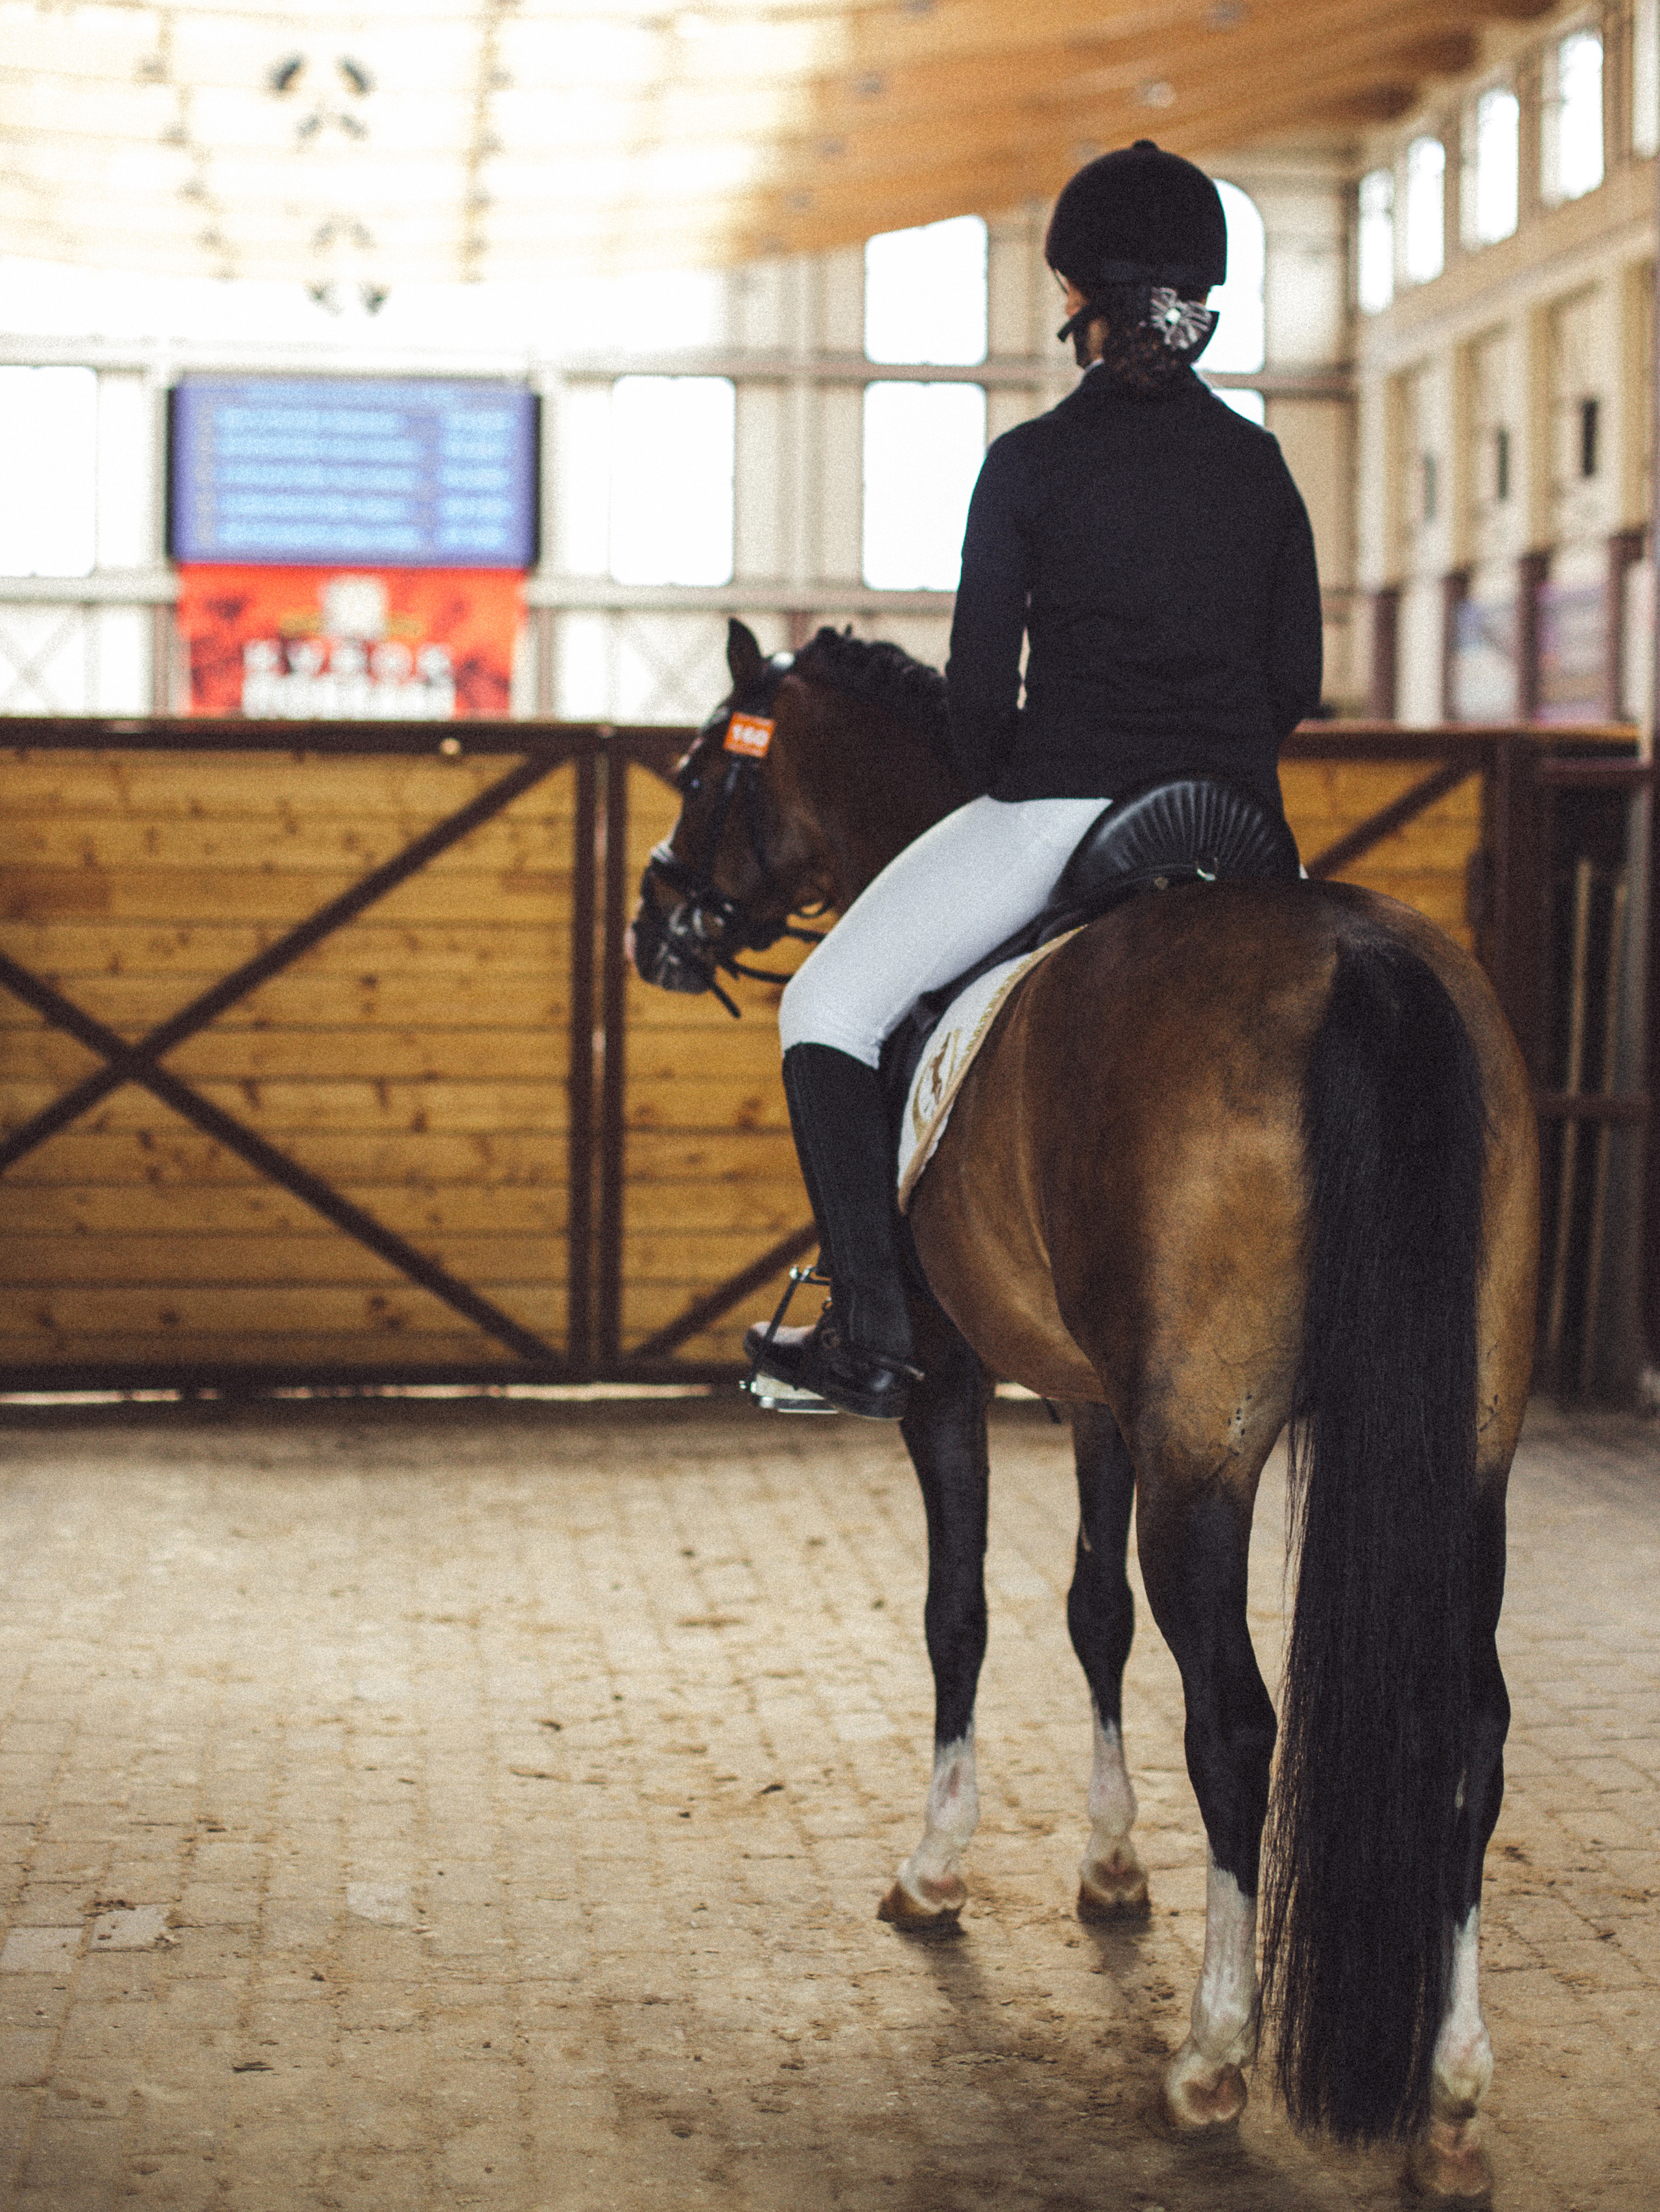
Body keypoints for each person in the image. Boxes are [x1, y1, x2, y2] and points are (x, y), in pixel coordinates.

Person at [745, 140, 1323, 1420]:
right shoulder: (1260, 466)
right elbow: (1295, 673)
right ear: (1200, 294)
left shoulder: (1027, 465)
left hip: (1063, 806)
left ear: (1074, 294)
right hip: (1240, 827)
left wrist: (1021, 772)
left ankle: (870, 1326)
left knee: (825, 1006)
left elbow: (967, 686)